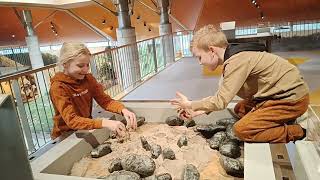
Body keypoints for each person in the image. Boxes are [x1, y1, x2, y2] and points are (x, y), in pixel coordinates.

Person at [171, 25, 309, 143]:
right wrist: (197, 111)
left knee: (242, 130)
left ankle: (298, 132)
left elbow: (220, 102)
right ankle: (279, 120)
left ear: (212, 50)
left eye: (199, 57)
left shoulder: (236, 62)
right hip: (273, 97)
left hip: (291, 100)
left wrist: (190, 104)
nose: (200, 62)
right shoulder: (233, 57)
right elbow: (220, 96)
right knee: (240, 109)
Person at [49, 42, 137, 139]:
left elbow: (105, 101)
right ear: (65, 64)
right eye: (80, 66)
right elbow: (72, 120)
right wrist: (104, 122)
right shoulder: (58, 87)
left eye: (87, 65)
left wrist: (123, 110)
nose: (86, 69)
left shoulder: (88, 79)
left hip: (85, 127)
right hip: (65, 135)